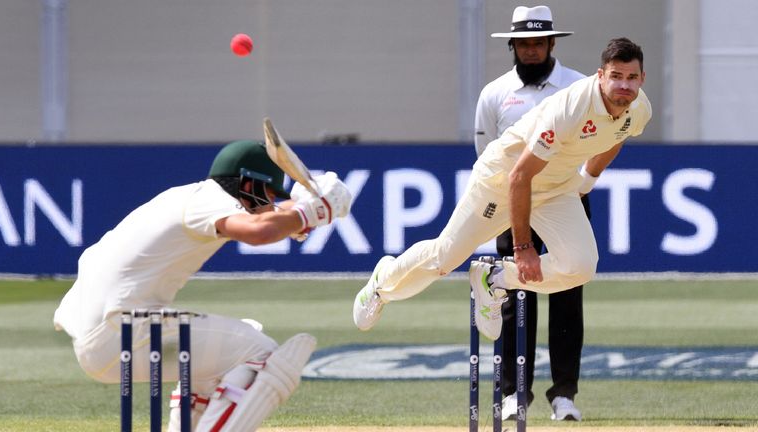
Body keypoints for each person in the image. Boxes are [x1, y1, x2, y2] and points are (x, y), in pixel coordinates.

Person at [353, 34, 651, 409]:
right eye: (616, 76)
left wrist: (587, 180)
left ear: (642, 79)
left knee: (580, 266)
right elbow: (519, 178)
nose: (624, 85)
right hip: (502, 179)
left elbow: (616, 136)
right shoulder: (572, 106)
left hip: (556, 187)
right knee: (444, 259)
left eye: (631, 77)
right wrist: (524, 249)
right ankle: (382, 284)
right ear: (600, 76)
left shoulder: (638, 107)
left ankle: (494, 278)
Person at [54, 140, 352, 432]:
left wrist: (302, 209)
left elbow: (268, 217)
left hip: (104, 338)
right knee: (260, 353)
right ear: (249, 186)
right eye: (269, 194)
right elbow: (260, 231)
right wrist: (313, 211)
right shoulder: (211, 199)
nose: (271, 204)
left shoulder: (190, 198)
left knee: (214, 362)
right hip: (122, 331)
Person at [474, 5, 588, 421]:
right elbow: (485, 152)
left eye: (538, 42)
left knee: (567, 290)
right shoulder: (495, 93)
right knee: (513, 293)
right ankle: (511, 393)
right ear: (513, 46)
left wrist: (581, 182)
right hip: (515, 203)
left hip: (564, 199)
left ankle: (564, 394)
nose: (531, 50)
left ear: (552, 42)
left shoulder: (577, 86)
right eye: (524, 43)